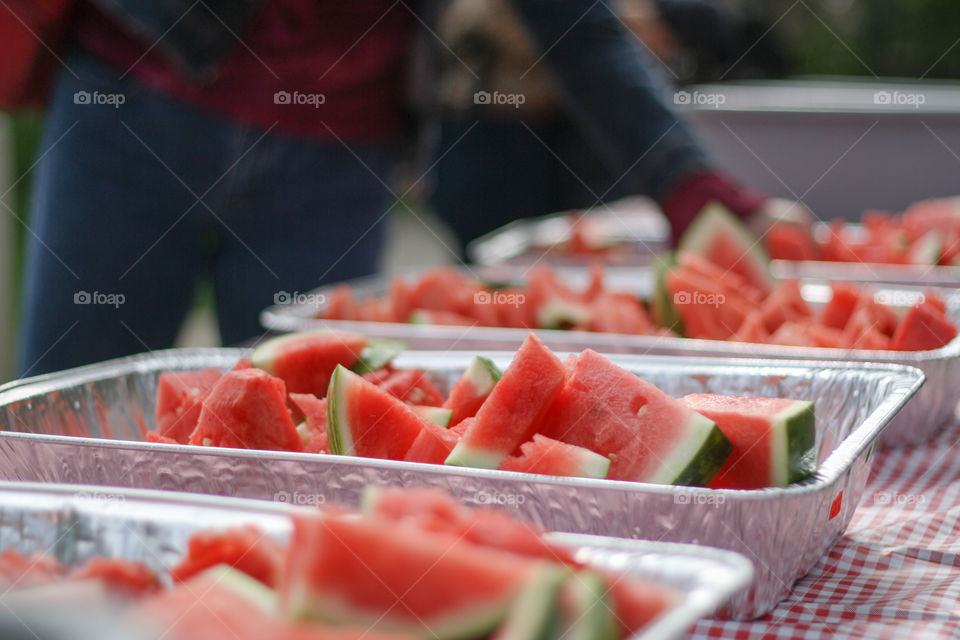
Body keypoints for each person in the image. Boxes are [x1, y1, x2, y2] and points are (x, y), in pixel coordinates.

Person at [17, 0, 797, 377]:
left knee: (305, 442)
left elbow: (575, 24)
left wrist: (687, 181)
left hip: (338, 153)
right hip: (131, 103)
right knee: (66, 413)